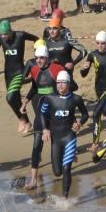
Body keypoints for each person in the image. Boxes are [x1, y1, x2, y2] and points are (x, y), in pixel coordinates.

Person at [21, 45, 68, 185]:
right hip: (41, 114)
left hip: (55, 117)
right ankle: (33, 179)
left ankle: (66, 157)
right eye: (36, 58)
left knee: (57, 171)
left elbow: (71, 85)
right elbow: (35, 87)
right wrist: (26, 101)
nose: (39, 61)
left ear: (47, 58)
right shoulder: (34, 70)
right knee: (36, 144)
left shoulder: (56, 69)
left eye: (41, 58)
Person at [39, 71, 90, 199]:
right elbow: (42, 114)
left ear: (68, 84)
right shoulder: (50, 98)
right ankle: (71, 155)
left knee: (66, 168)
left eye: (63, 83)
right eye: (58, 83)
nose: (60, 85)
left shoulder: (75, 99)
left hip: (69, 136)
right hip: (56, 138)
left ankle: (65, 198)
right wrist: (45, 129)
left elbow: (85, 114)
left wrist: (79, 124)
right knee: (57, 172)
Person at [0, 20, 35, 132]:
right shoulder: (0, 37)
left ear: (10, 31)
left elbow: (37, 39)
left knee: (9, 98)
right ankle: (27, 122)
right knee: (15, 98)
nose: (4, 36)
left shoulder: (21, 35)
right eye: (2, 34)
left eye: (6, 34)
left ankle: (21, 119)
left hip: (20, 72)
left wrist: (37, 54)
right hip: (8, 73)